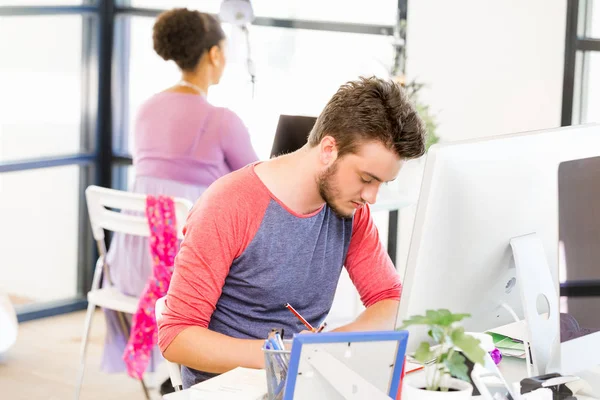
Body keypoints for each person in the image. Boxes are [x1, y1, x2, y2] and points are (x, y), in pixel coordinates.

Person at [158, 76, 427, 388]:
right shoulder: (228, 205)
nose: (372, 197)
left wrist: (324, 350)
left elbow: (391, 300)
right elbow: (176, 336)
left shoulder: (352, 211)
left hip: (302, 380)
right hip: (230, 387)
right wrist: (284, 355)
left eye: (382, 183)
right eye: (366, 178)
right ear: (328, 149)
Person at [101, 8, 258, 377]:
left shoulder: (145, 111)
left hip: (128, 266)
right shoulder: (222, 120)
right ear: (215, 55)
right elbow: (258, 183)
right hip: (180, 273)